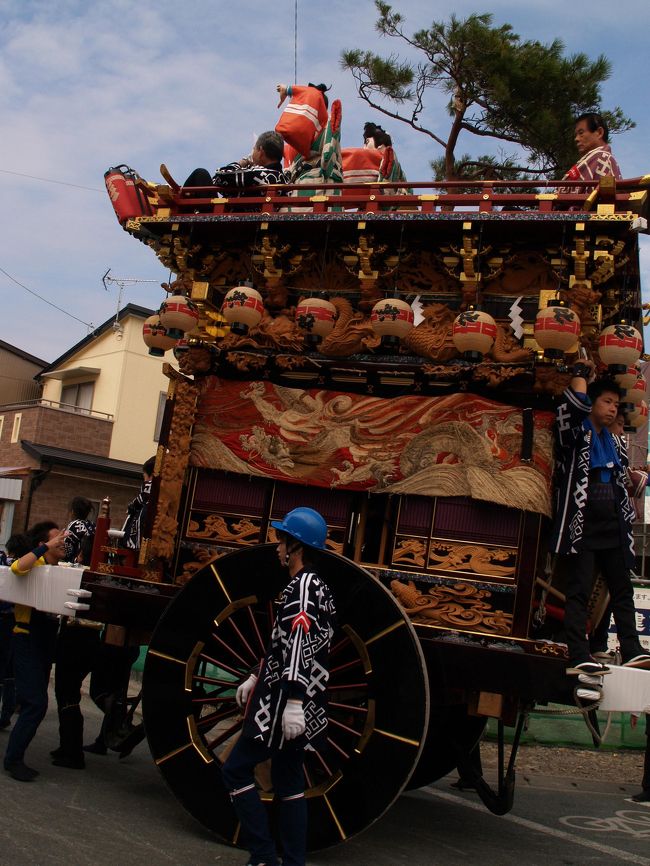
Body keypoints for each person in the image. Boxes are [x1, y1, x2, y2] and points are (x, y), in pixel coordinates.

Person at [221, 507, 336, 866]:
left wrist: (294, 702)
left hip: (282, 700)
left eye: (280, 541)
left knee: (235, 770)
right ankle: (292, 862)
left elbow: (299, 643)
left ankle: (263, 854)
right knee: (289, 783)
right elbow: (284, 643)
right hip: (296, 698)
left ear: (296, 547)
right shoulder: (316, 585)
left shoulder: (301, 588)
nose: (276, 548)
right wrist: (257, 672)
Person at [550, 362, 650, 702]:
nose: (612, 409)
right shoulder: (576, 434)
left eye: (615, 404)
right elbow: (573, 408)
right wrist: (580, 376)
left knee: (621, 588)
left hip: (612, 523)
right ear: (591, 403)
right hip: (582, 523)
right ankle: (578, 653)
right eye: (606, 402)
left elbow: (625, 481)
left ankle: (631, 647)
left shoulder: (615, 442)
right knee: (578, 590)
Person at [3, 522, 66, 781]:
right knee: (35, 703)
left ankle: (15, 756)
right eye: (56, 539)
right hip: (26, 638)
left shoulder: (56, 569)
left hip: (44, 642)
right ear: (43, 543)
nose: (62, 541)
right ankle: (12, 759)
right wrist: (44, 548)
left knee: (37, 703)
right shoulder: (36, 565)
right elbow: (17, 567)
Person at [184, 131, 288, 193]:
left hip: (235, 221)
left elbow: (220, 177)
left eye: (254, 149)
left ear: (260, 151)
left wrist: (243, 162)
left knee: (200, 174)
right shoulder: (284, 179)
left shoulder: (257, 173)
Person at [560, 112, 622, 192]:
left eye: (581, 133)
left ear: (599, 133)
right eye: (576, 135)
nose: (576, 139)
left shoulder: (602, 158)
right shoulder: (595, 159)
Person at [123, 455, 156, 550]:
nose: (144, 479)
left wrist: (131, 507)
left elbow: (138, 501)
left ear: (152, 475)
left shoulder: (149, 486)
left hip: (144, 522)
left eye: (144, 476)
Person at [63, 496, 95, 564]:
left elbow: (66, 549)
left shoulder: (74, 525)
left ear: (72, 512)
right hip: (92, 563)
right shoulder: (93, 525)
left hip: (78, 562)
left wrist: (74, 559)